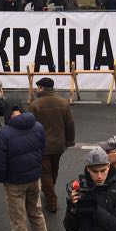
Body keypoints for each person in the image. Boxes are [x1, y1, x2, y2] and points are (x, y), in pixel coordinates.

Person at [0, 98, 51, 231]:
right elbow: (42, 149)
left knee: (19, 222)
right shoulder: (38, 126)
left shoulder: (4, 133)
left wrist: (3, 179)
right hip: (34, 179)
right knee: (36, 214)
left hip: (14, 184)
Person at [63, 147, 116, 231]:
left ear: (108, 166)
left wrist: (95, 209)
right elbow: (69, 229)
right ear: (88, 169)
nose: (99, 176)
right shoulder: (81, 190)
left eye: (103, 170)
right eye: (94, 171)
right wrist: (72, 208)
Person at [28, 77, 76, 214]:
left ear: (41, 88)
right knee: (54, 169)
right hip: (59, 144)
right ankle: (49, 190)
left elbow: (30, 127)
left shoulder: (34, 105)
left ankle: (51, 200)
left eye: (38, 87)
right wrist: (69, 141)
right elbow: (70, 124)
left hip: (41, 145)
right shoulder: (63, 103)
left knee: (45, 173)